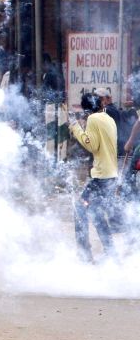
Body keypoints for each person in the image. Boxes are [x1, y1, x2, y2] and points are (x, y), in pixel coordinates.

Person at [69, 91, 119, 261]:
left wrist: (75, 127)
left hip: (101, 176)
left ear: (86, 110)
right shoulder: (108, 118)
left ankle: (84, 254)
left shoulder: (93, 119)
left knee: (80, 209)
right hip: (110, 175)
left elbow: (92, 145)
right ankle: (111, 253)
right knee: (96, 214)